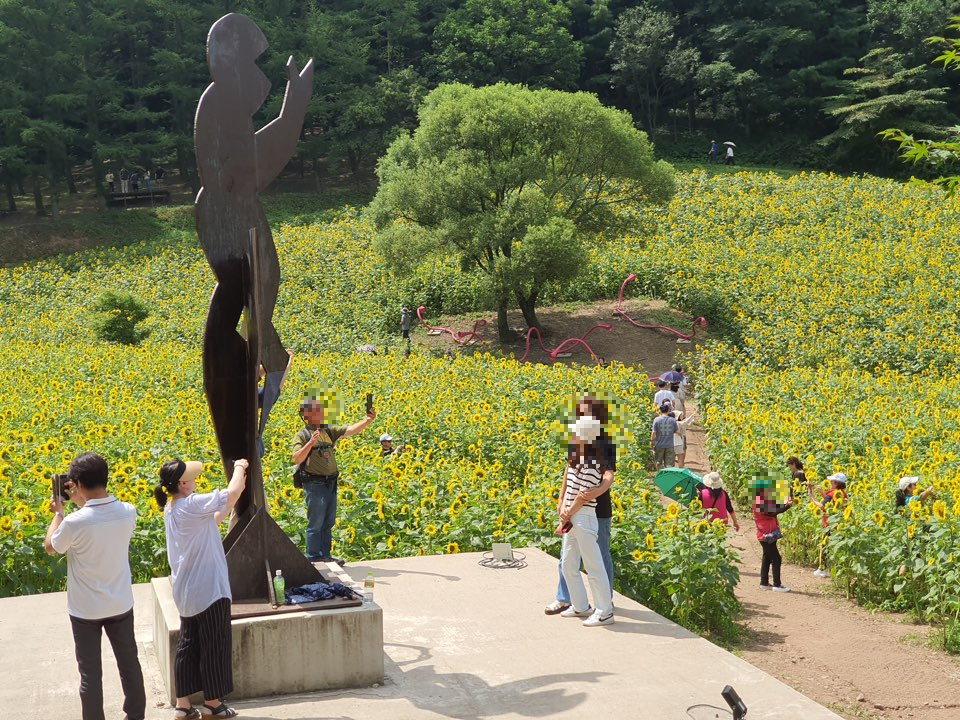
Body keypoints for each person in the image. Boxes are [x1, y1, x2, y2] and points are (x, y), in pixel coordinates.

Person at [44, 453, 146, 720]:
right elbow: (101, 517)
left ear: (75, 484)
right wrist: (82, 499)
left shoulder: (75, 522)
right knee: (129, 664)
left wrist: (59, 512)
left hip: (85, 609)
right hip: (121, 602)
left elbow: (51, 546)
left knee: (90, 674)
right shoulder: (128, 511)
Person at [155, 457, 249, 720]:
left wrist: (231, 500)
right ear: (184, 484)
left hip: (186, 591)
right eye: (192, 478)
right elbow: (232, 493)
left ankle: (183, 706)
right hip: (209, 588)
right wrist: (240, 467)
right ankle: (213, 704)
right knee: (214, 645)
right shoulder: (192, 504)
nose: (196, 481)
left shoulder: (172, 508)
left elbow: (215, 516)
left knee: (188, 645)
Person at [545, 395, 615, 616]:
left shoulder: (605, 442)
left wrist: (596, 491)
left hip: (597, 508)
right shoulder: (577, 439)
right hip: (574, 504)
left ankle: (605, 601)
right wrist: (561, 499)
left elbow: (609, 474)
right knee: (568, 557)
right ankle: (567, 599)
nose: (581, 415)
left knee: (599, 556)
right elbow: (568, 470)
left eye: (586, 412)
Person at [292, 394, 376, 564]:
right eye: (318, 411)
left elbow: (351, 430)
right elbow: (297, 458)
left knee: (328, 522)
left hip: (331, 482)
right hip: (314, 484)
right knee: (315, 523)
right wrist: (310, 443)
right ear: (307, 415)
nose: (322, 414)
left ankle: (326, 556)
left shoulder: (328, 431)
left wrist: (368, 420)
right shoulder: (302, 435)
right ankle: (314, 558)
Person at [754, 486, 795, 592]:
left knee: (767, 557)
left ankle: (764, 583)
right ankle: (777, 584)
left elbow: (776, 506)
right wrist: (787, 506)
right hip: (766, 535)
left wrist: (788, 498)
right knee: (776, 558)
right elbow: (773, 512)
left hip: (766, 534)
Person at [809, 472, 846, 578]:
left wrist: (812, 497)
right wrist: (821, 492)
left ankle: (822, 569)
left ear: (836, 483)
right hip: (838, 524)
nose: (830, 482)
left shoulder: (831, 494)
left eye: (832, 481)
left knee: (824, 546)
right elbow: (832, 502)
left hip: (828, 523)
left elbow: (823, 506)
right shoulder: (842, 493)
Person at [651, 403, 678, 469]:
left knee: (658, 462)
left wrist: (652, 441)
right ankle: (668, 477)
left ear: (660, 411)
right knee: (669, 464)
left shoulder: (656, 420)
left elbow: (654, 432)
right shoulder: (672, 420)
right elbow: (675, 431)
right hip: (669, 445)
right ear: (668, 410)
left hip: (659, 445)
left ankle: (660, 476)